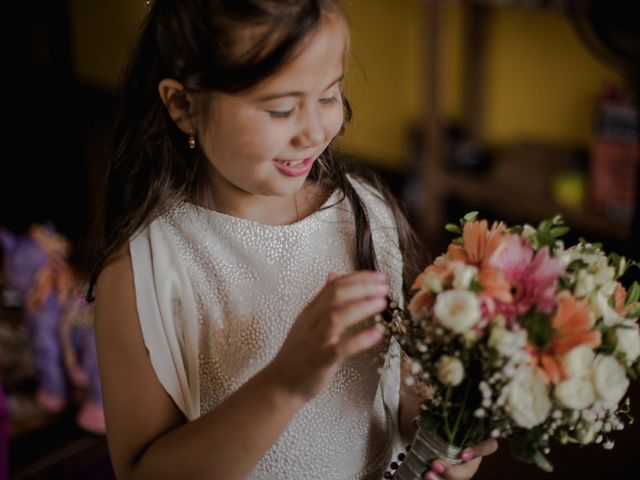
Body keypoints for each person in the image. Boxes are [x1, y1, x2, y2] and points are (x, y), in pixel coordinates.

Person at [86, 1, 497, 479]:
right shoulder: (144, 273)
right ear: (184, 106)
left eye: (328, 97)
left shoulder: (364, 213)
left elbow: (395, 393)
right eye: (281, 109)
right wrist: (284, 384)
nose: (314, 131)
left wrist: (442, 434)